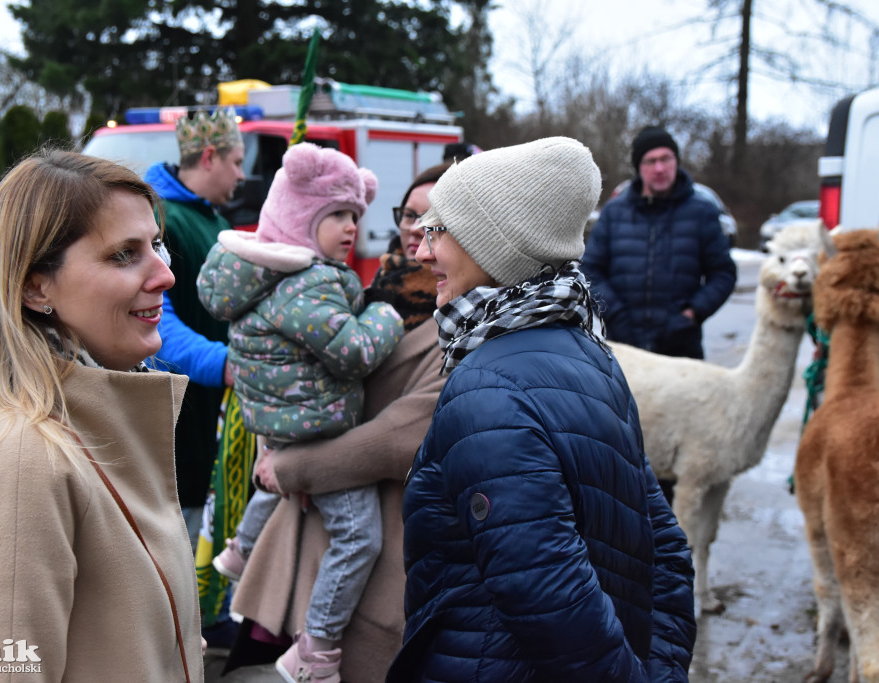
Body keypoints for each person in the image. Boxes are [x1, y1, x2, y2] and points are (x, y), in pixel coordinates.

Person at [385, 137, 697, 682]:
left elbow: (551, 596)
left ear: (495, 244)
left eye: (440, 230)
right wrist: (661, 669)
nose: (421, 250)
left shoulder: (487, 388)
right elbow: (667, 551)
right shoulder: (593, 356)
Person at [0, 150, 205, 681]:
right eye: (123, 255)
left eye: (156, 245)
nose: (165, 274)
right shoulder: (18, 463)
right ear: (35, 286)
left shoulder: (96, 427)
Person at [222, 162, 449, 683]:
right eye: (409, 214)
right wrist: (273, 438)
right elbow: (303, 375)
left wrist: (294, 465)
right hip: (306, 528)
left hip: (380, 545)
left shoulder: (458, 319)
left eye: (434, 217)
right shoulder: (370, 289)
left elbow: (403, 436)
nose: (416, 227)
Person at [143, 109, 243, 547]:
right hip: (177, 418)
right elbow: (154, 318)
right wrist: (224, 363)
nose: (242, 174)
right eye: (237, 162)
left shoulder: (215, 219)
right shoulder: (162, 219)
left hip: (211, 412)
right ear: (209, 157)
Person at [581, 125, 736, 359]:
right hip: (621, 347)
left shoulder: (702, 213)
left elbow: (723, 274)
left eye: (666, 158)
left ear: (677, 160)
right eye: (650, 161)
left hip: (681, 350)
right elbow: (591, 270)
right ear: (638, 167)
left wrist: (692, 314)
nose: (660, 168)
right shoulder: (615, 213)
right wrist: (615, 315)